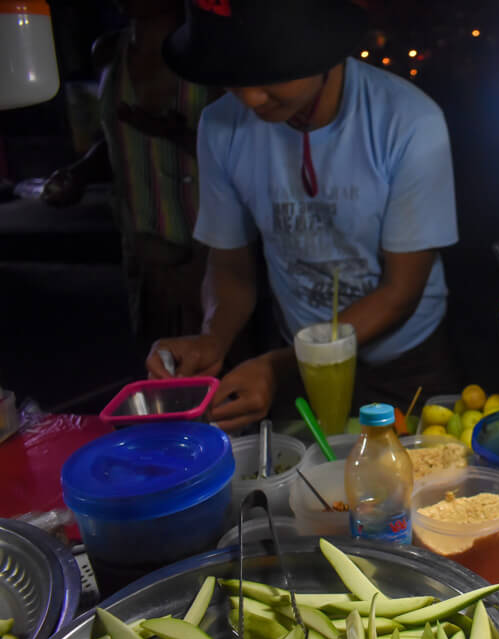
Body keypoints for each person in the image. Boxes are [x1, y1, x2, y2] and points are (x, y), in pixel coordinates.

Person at [147, 0, 461, 432]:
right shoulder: (220, 126)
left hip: (402, 362)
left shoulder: (409, 122)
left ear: (324, 52)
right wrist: (212, 338)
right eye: (234, 79)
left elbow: (399, 291)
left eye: (270, 74)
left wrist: (279, 366)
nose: (252, 98)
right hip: (295, 358)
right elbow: (231, 272)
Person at [42, 0, 222, 353]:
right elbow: (112, 140)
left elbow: (248, 149)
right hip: (145, 250)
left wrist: (178, 135)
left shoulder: (211, 55)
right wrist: (77, 174)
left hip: (213, 250)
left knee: (221, 360)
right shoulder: (109, 53)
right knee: (161, 368)